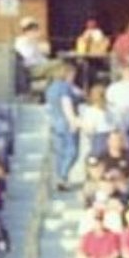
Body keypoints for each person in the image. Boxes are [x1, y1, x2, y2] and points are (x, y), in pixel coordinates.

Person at [46, 62, 83, 192]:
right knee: (72, 151)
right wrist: (73, 121)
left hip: (55, 122)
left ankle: (60, 177)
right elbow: (66, 104)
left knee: (60, 153)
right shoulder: (65, 88)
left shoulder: (51, 88)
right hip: (66, 122)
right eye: (73, 74)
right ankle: (63, 176)